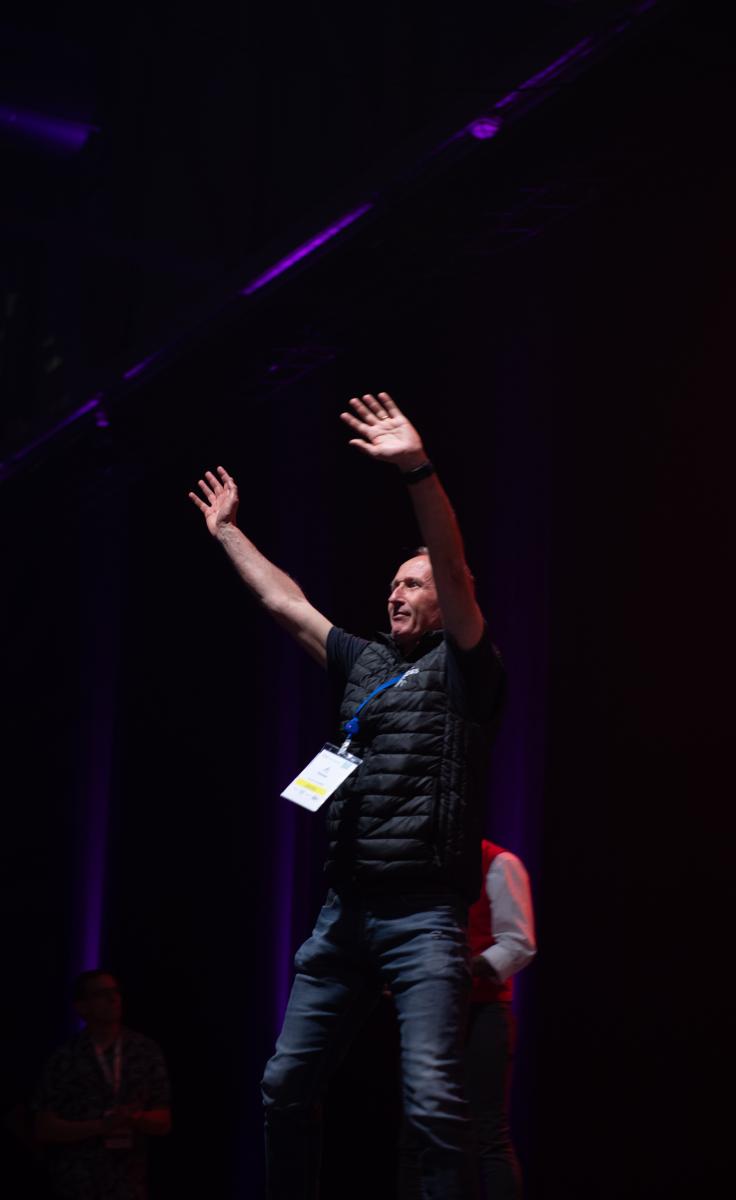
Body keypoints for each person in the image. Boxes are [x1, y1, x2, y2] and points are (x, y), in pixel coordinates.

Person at [189, 392, 505, 1199]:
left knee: (433, 1105)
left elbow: (452, 564)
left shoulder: (467, 668)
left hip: (422, 917)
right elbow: (283, 601)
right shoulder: (366, 663)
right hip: (345, 914)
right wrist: (227, 532)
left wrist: (417, 470)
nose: (395, 593)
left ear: (447, 602)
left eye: (412, 585)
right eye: (393, 583)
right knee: (284, 1085)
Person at [397, 839, 536, 1200]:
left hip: (482, 1011)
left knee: (487, 1133)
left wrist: (453, 970)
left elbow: (518, 944)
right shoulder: (423, 863)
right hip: (428, 1011)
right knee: (415, 1131)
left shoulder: (499, 862)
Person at [33, 970, 171, 1200]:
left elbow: (164, 1121)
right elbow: (44, 1128)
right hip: (77, 1182)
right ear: (82, 1006)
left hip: (128, 1185)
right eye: (102, 993)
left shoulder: (145, 1051)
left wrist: (134, 1118)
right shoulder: (65, 1058)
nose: (113, 998)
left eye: (115, 992)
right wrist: (100, 1126)